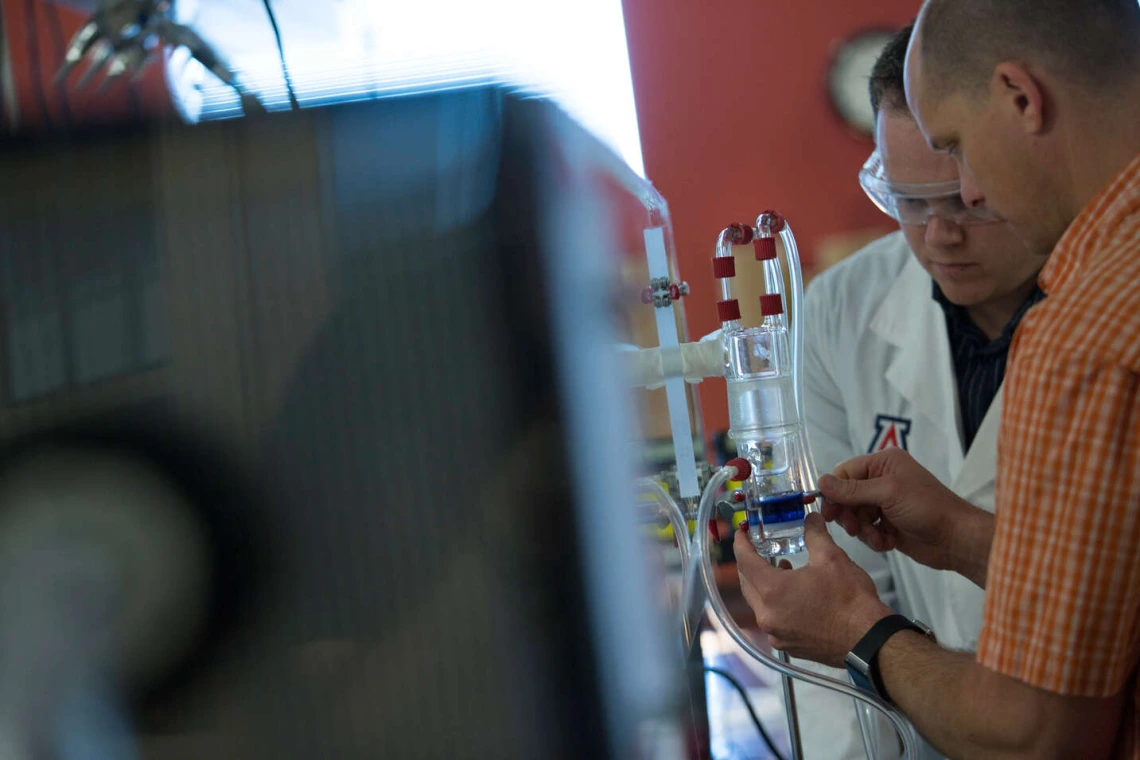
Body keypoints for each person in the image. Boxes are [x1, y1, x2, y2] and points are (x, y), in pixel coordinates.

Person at [734, 1, 1140, 757]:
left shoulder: (1084, 324)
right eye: (910, 203)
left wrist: (862, 634)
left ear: (1023, 99)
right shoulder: (844, 309)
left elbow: (1041, 737)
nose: (953, 221)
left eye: (959, 162)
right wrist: (960, 536)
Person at [791, 21, 1046, 760]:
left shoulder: (1101, 305)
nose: (938, 236)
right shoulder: (842, 311)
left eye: (965, 202)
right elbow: (843, 586)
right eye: (907, 202)